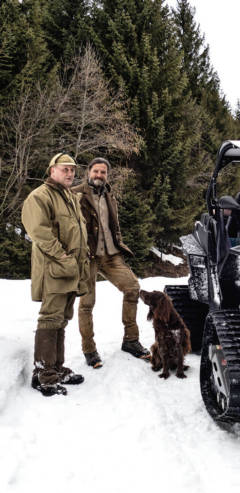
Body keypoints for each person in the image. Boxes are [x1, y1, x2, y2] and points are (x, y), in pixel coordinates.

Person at [22, 153, 90, 396]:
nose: (70, 173)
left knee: (61, 319)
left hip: (70, 270)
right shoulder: (40, 196)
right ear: (52, 171)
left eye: (72, 170)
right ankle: (44, 375)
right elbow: (39, 232)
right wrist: (62, 256)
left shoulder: (69, 197)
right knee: (50, 319)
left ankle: (57, 368)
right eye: (65, 170)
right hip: (54, 270)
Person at [72, 157, 150, 368]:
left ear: (107, 175)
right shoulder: (75, 194)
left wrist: (119, 242)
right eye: (96, 171)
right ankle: (89, 350)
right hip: (87, 256)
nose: (99, 175)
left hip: (111, 255)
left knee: (133, 287)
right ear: (88, 172)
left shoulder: (109, 195)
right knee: (87, 304)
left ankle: (131, 340)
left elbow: (111, 225)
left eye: (103, 172)